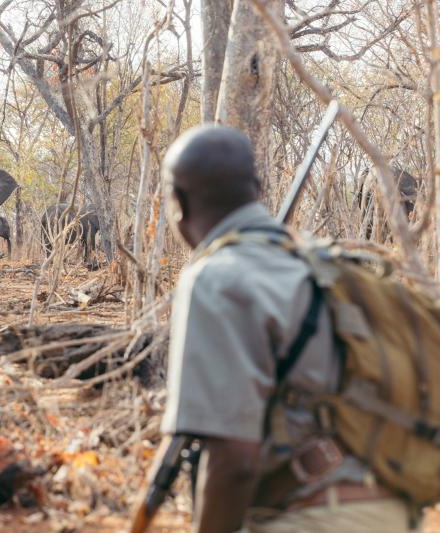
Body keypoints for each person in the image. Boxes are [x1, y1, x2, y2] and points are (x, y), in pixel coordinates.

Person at [160, 125, 412, 532]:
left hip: (314, 517)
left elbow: (234, 462)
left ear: (179, 203)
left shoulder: (215, 278)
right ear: (257, 188)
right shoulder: (323, 262)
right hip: (391, 511)